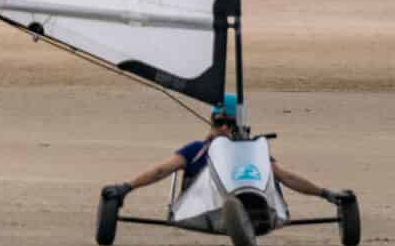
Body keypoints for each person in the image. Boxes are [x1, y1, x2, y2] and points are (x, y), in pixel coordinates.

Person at [100, 97, 355, 214]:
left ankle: (250, 209)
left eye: (228, 124)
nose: (222, 128)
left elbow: (285, 176)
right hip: (204, 205)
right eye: (218, 122)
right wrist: (126, 187)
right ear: (211, 122)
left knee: (273, 172)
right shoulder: (195, 150)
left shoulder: (252, 151)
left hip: (253, 198)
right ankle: (234, 208)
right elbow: (161, 170)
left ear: (238, 126)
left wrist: (326, 194)